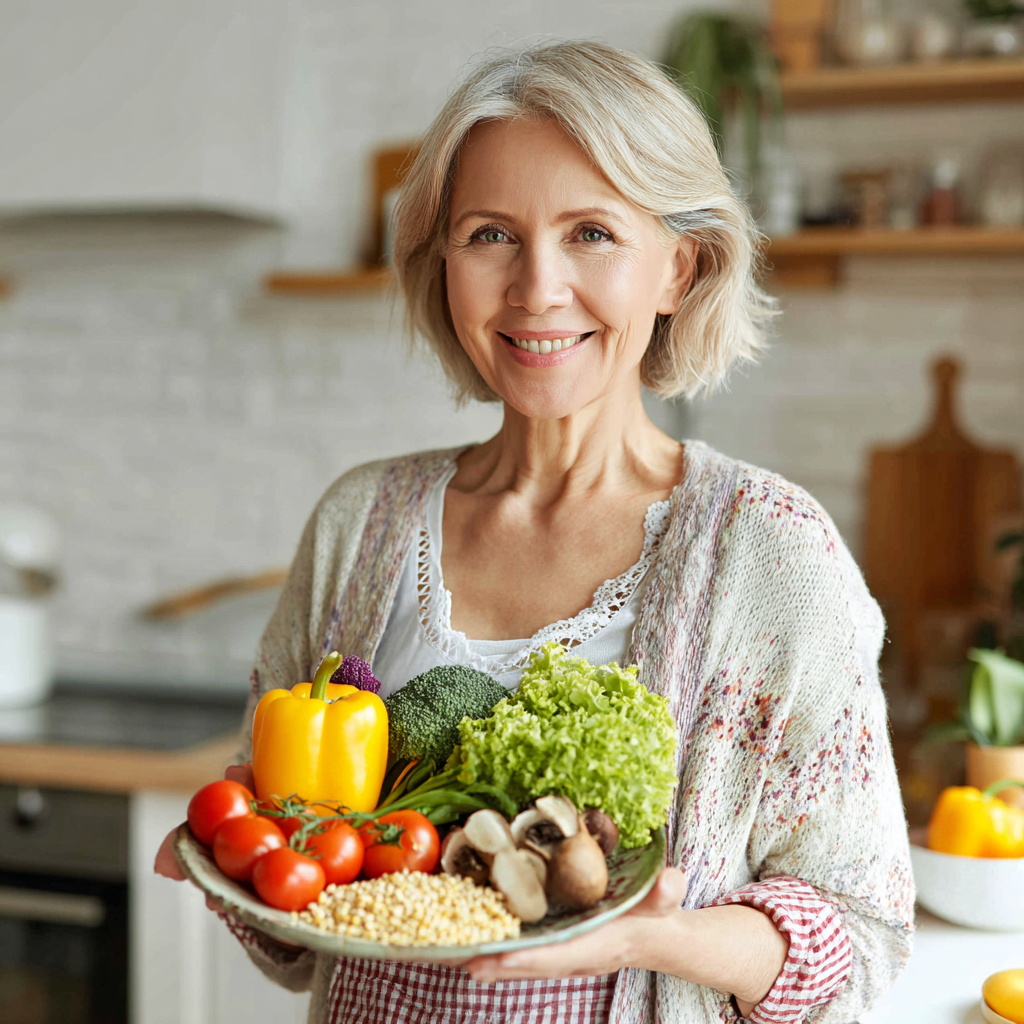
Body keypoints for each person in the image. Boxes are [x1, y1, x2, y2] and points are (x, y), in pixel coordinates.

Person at [156, 40, 914, 1024]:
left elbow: (860, 940)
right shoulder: (361, 524)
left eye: (591, 232)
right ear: (443, 263)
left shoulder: (770, 552)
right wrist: (243, 854)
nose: (535, 288)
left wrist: (650, 935)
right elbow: (307, 937)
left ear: (676, 268)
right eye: (488, 235)